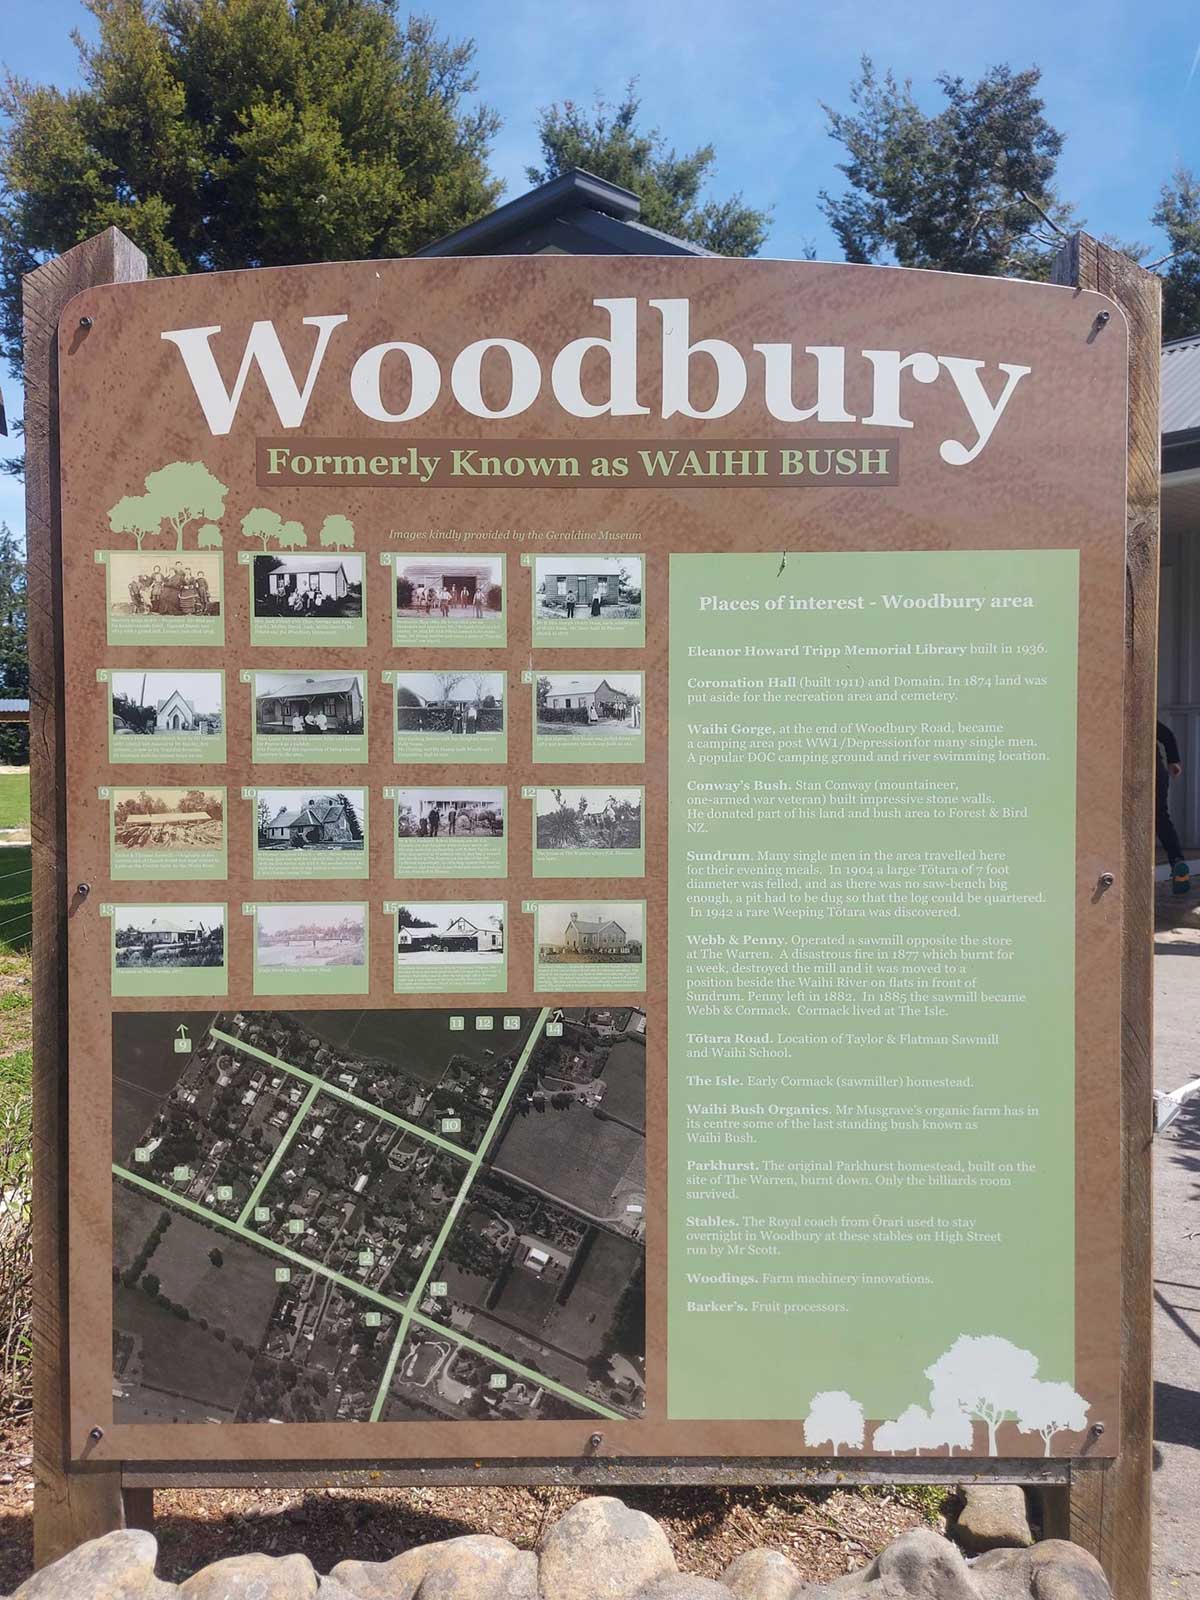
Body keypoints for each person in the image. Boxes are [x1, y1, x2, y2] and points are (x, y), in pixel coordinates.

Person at [1158, 720, 1190, 894]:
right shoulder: (1143, 719)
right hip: (1158, 773)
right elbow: (1168, 735)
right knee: (1161, 818)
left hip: (1138, 773)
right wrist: (1174, 761)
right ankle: (1177, 861)